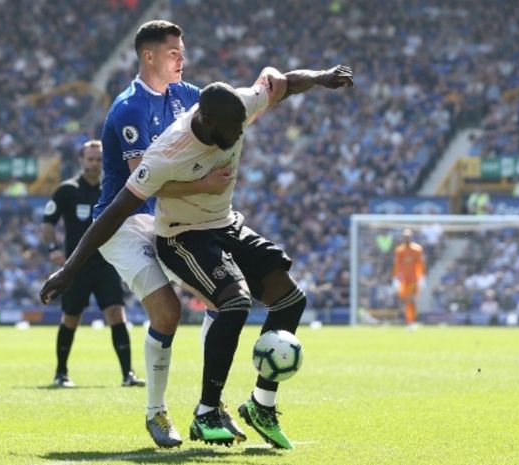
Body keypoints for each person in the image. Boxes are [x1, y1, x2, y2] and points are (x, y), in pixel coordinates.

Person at [40, 64, 353, 449]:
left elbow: (284, 84)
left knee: (290, 299)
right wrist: (69, 269)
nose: (239, 135)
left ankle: (261, 404)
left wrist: (321, 77)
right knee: (234, 303)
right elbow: (116, 211)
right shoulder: (166, 153)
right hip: (182, 237)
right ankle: (207, 410)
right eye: (232, 131)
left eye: (241, 126)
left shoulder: (237, 105)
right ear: (205, 122)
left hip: (225, 224)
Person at [81, 20, 236, 448]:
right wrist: (204, 185)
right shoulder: (128, 108)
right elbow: (141, 185)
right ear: (149, 56)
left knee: (223, 297)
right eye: (173, 52)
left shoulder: (186, 96)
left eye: (182, 51)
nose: (182, 59)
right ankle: (156, 412)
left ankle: (210, 405)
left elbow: (225, 106)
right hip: (123, 225)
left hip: (164, 219)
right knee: (167, 312)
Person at [41, 139, 145, 388]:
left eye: (98, 159)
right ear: (81, 160)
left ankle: (127, 374)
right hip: (75, 268)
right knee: (71, 318)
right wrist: (53, 249)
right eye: (90, 158)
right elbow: (47, 223)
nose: (94, 163)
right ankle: (61, 373)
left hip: (106, 263)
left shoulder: (112, 188)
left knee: (116, 314)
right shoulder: (67, 190)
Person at [392, 229, 426, 329]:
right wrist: (396, 278)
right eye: (405, 237)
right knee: (406, 300)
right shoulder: (399, 250)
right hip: (404, 280)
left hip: (413, 279)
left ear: (411, 237)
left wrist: (421, 277)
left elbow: (420, 264)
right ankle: (410, 320)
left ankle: (411, 321)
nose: (407, 238)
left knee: (410, 299)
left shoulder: (417, 249)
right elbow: (397, 265)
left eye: (408, 236)